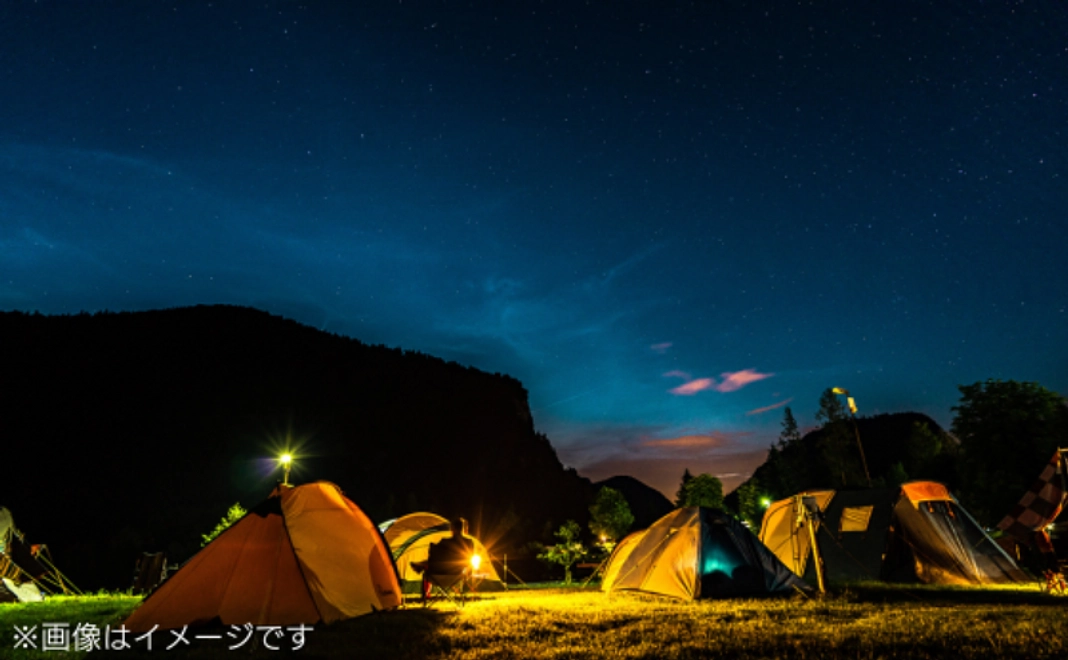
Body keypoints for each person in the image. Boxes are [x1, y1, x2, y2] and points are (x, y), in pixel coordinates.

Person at [412, 518, 475, 601]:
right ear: (462, 528)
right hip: (457, 576)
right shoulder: (469, 543)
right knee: (432, 564)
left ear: (452, 528)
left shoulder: (444, 541)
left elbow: (433, 558)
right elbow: (469, 561)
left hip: (437, 575)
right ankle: (422, 565)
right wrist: (469, 572)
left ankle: (421, 567)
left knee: (428, 568)